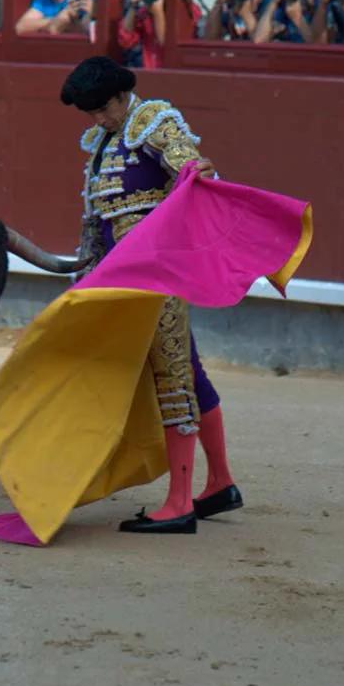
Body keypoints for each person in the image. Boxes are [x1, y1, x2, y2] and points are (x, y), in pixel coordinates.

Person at [59, 57, 231, 534]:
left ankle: (179, 503)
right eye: (89, 113)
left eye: (100, 109)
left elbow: (195, 175)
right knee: (186, 371)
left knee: (171, 374)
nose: (96, 119)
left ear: (120, 96)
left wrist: (198, 173)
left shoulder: (154, 121)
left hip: (157, 271)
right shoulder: (100, 142)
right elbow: (95, 220)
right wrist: (83, 276)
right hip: (117, 273)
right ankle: (220, 482)